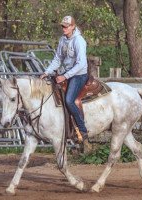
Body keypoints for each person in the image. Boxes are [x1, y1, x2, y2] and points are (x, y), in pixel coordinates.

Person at [40, 16, 89, 144]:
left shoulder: (79, 41)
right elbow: (57, 59)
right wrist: (47, 72)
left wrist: (65, 76)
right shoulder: (62, 40)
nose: (64, 28)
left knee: (69, 100)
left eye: (66, 26)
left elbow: (81, 64)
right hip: (66, 73)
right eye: (62, 26)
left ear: (73, 26)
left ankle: (83, 130)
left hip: (79, 75)